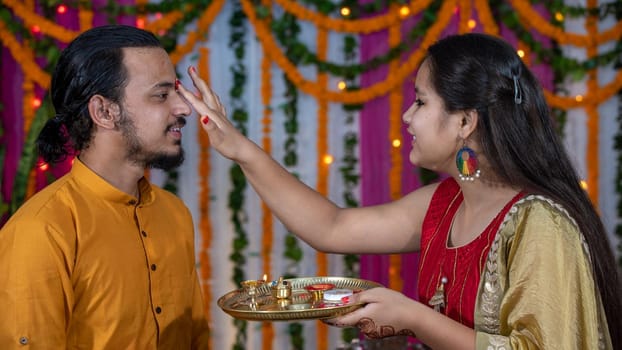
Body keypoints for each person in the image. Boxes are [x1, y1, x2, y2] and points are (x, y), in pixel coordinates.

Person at [179, 32, 622, 349]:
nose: (407, 117)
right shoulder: (445, 202)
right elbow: (332, 228)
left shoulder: (539, 222)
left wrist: (413, 317)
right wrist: (240, 149)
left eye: (421, 102)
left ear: (465, 122)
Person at [0, 25, 210, 349]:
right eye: (162, 94)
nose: (183, 108)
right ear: (104, 112)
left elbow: (196, 338)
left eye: (178, 93)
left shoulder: (174, 214)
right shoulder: (42, 231)